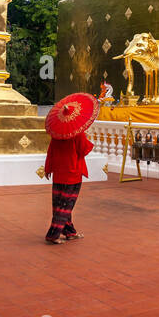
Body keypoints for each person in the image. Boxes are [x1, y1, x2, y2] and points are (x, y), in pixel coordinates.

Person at [37, 92, 98, 244]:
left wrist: (48, 168)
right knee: (66, 206)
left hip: (59, 172)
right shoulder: (77, 134)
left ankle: (69, 232)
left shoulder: (56, 133)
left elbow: (50, 152)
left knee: (60, 203)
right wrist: (84, 135)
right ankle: (53, 235)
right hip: (72, 173)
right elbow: (84, 150)